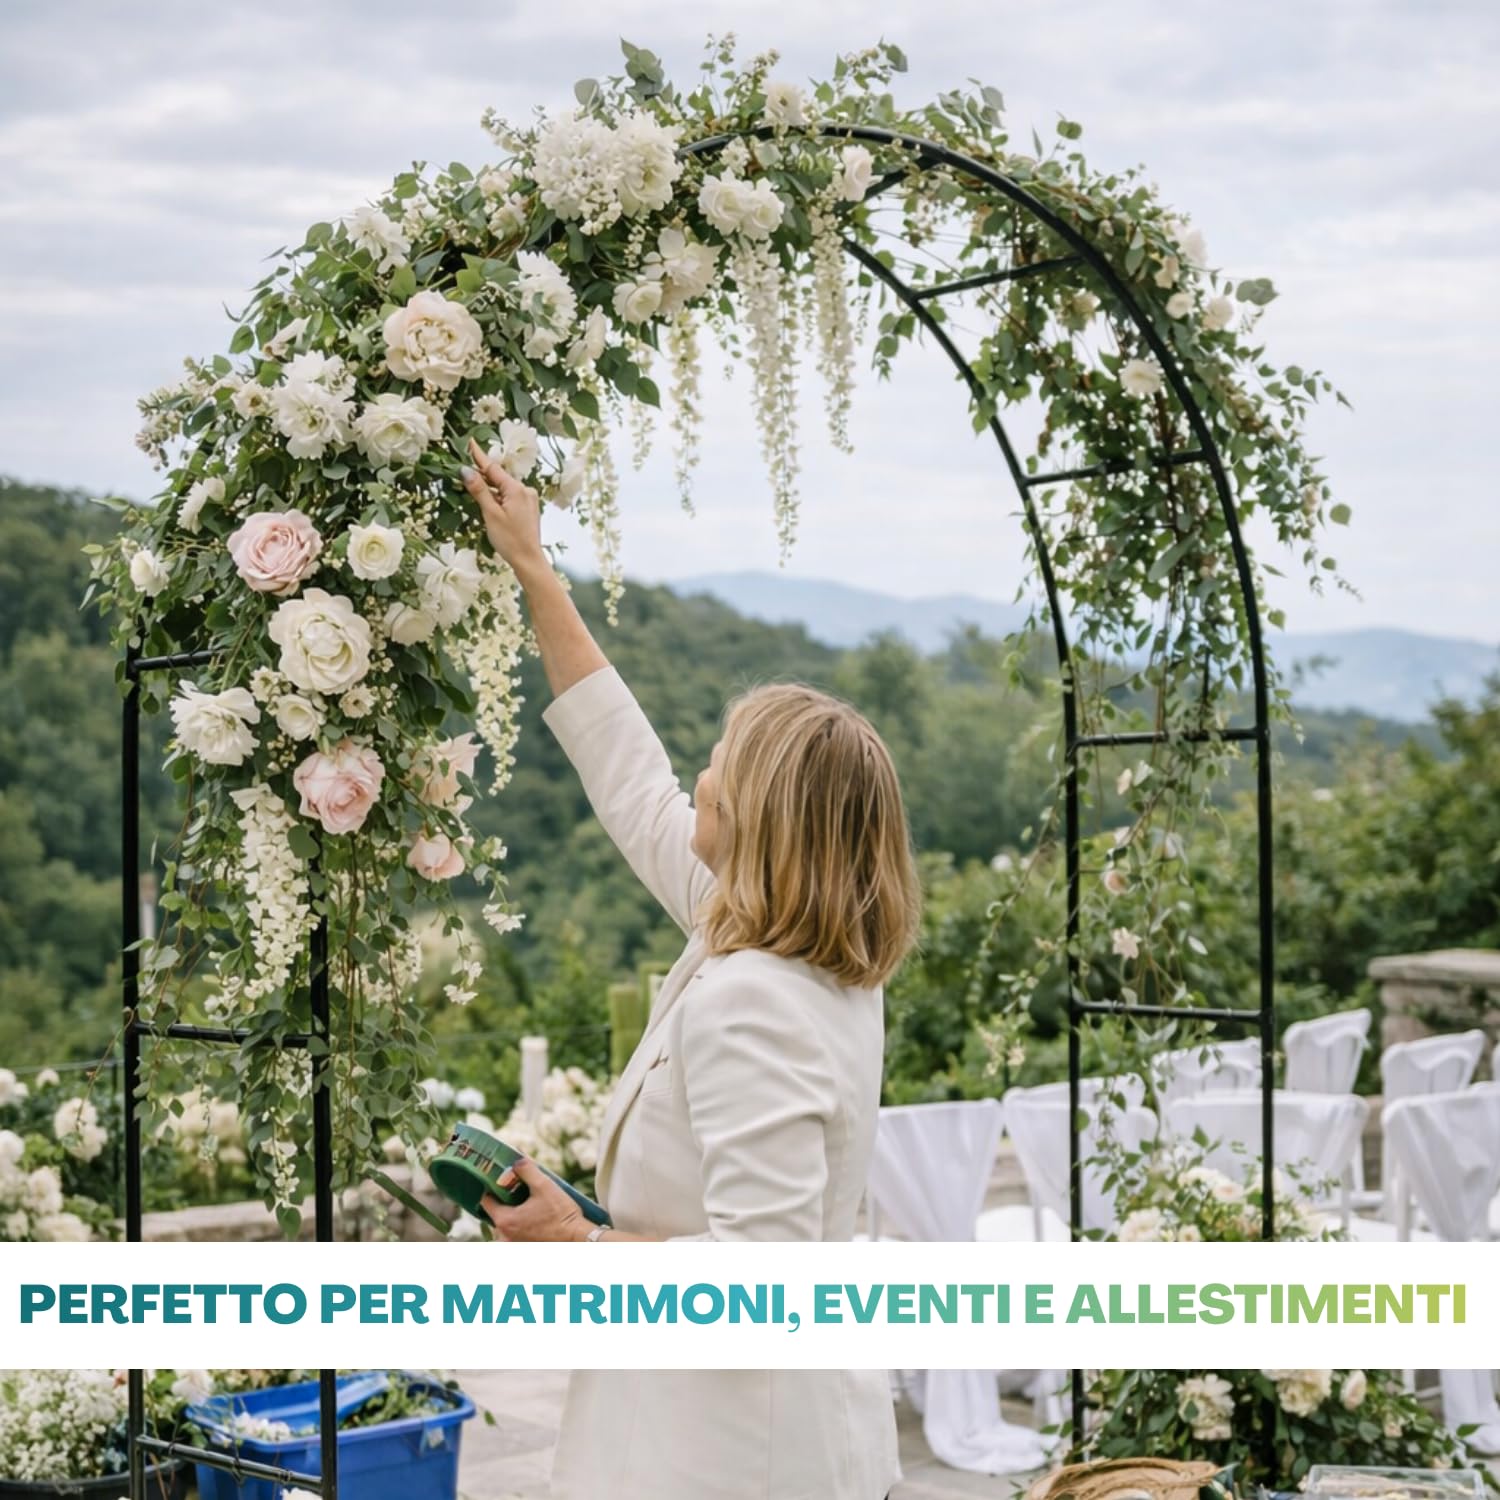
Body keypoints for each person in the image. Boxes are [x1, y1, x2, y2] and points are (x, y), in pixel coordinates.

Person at [459, 439, 921, 1500]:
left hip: (734, 1456)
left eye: (722, 757)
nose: (698, 770)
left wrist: (578, 1240)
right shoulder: (781, 939)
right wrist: (534, 567)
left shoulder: (757, 998)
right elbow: (627, 774)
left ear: (760, 816)